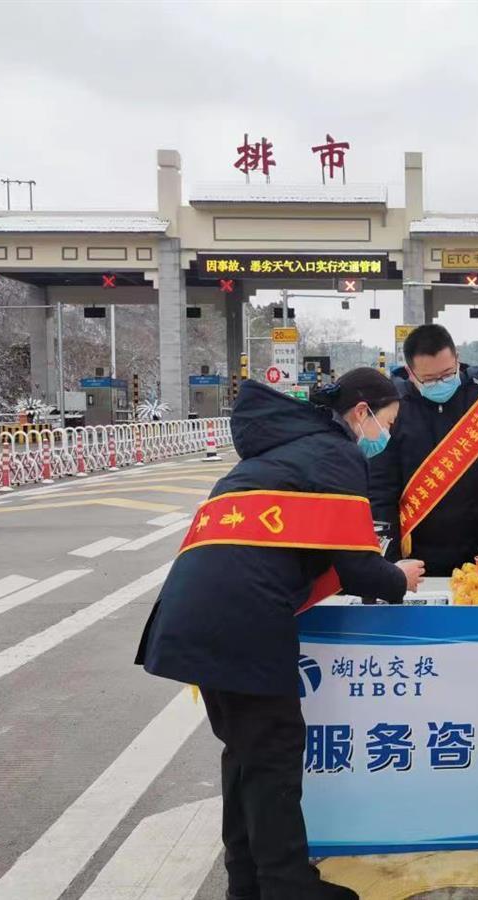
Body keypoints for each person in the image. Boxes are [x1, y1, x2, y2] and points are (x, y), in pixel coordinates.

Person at [135, 369, 425, 900]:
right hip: (243, 617)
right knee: (272, 755)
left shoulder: (279, 453)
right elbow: (359, 566)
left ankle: (248, 882)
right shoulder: (336, 454)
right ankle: (288, 887)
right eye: (387, 422)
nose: (385, 435)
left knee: (246, 754)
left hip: (195, 612)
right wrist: (398, 578)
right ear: (362, 413)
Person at [369, 324, 478, 575]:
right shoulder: (394, 410)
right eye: (430, 379)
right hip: (415, 559)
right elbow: (381, 490)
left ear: (457, 358)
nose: (441, 383)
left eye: (447, 374)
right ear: (410, 372)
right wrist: (389, 566)